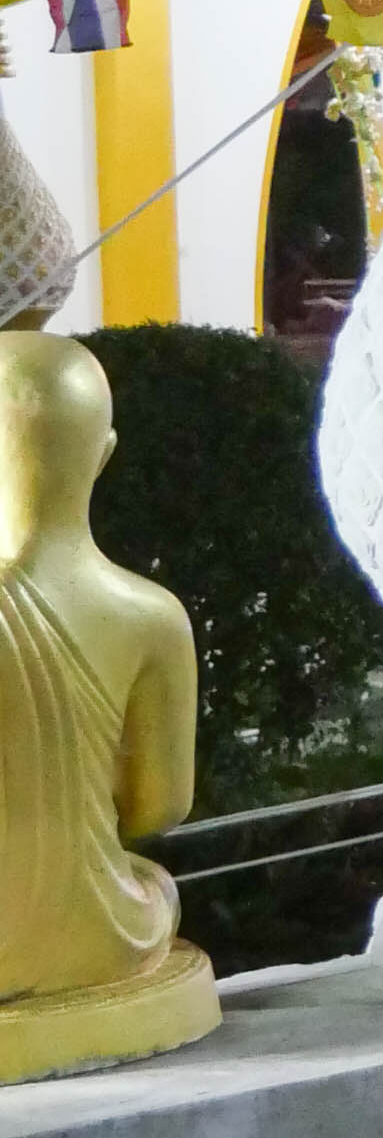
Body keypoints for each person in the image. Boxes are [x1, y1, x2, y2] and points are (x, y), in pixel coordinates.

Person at [0, 329, 214, 1073]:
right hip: (100, 931)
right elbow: (159, 809)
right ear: (104, 453)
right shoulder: (152, 617)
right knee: (154, 888)